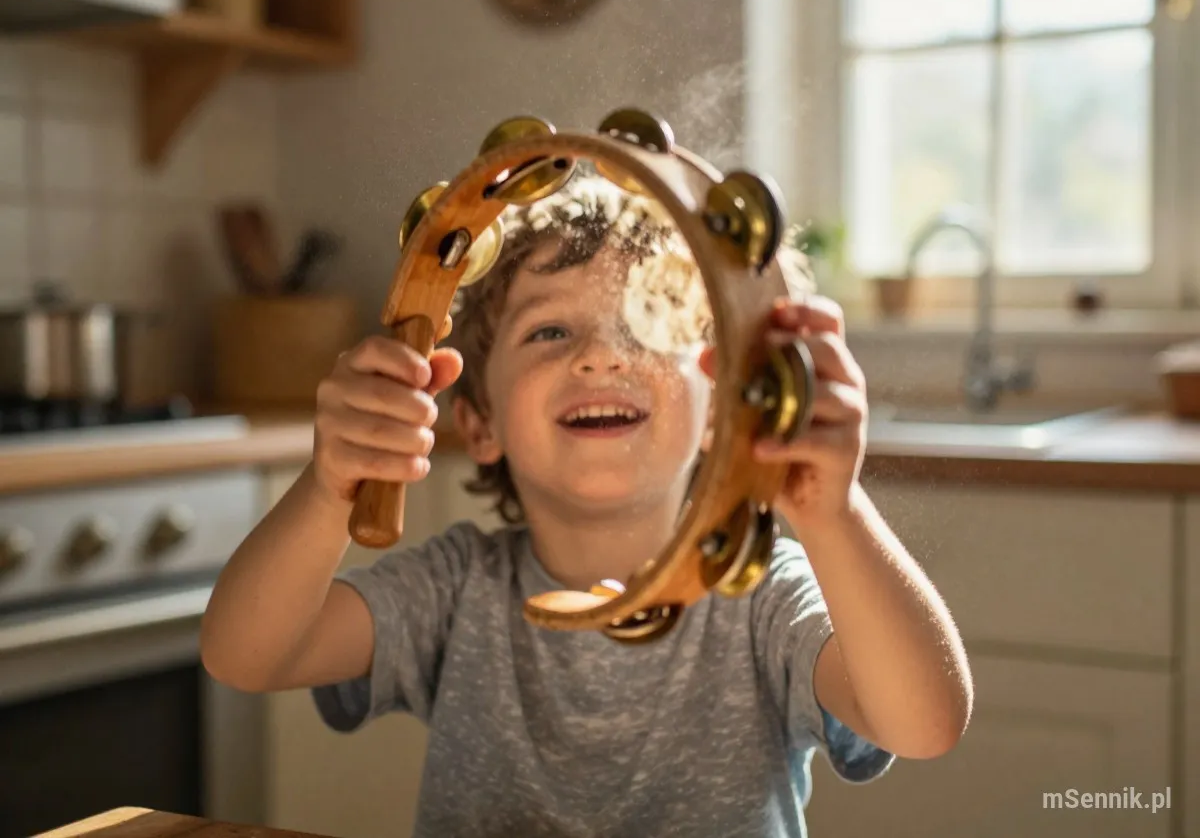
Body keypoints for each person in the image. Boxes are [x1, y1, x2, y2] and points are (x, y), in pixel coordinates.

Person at [200, 172, 973, 838]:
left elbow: (925, 723)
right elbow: (248, 654)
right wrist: (332, 483)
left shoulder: (758, 591)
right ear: (479, 420)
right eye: (550, 330)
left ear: (722, 405)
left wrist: (834, 514)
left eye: (647, 324)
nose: (601, 355)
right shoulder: (454, 591)